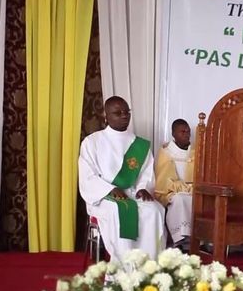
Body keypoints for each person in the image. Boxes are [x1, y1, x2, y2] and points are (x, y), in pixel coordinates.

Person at [78, 96, 166, 263]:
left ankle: (149, 268)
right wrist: (110, 189)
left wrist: (143, 188)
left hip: (133, 194)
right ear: (106, 116)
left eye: (127, 112)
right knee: (119, 211)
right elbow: (87, 176)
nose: (124, 116)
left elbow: (146, 173)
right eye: (117, 113)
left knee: (153, 210)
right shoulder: (92, 142)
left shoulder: (139, 145)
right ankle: (123, 269)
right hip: (104, 197)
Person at [155, 119, 194, 252]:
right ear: (173, 134)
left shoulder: (195, 152)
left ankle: (195, 240)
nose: (187, 134)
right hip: (171, 191)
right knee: (179, 199)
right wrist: (183, 188)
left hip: (193, 190)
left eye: (188, 131)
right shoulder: (166, 152)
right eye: (182, 131)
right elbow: (164, 179)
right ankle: (180, 240)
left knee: (199, 200)